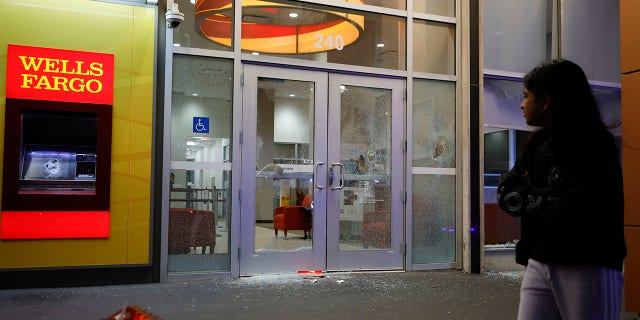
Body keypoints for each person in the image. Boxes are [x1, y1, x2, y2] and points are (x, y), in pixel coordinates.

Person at [497, 59, 627, 320]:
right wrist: (547, 197)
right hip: (540, 259)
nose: (522, 105)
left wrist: (531, 196)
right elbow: (506, 192)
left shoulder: (596, 146)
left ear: (545, 101)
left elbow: (577, 209)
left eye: (526, 97)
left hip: (588, 263)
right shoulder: (535, 144)